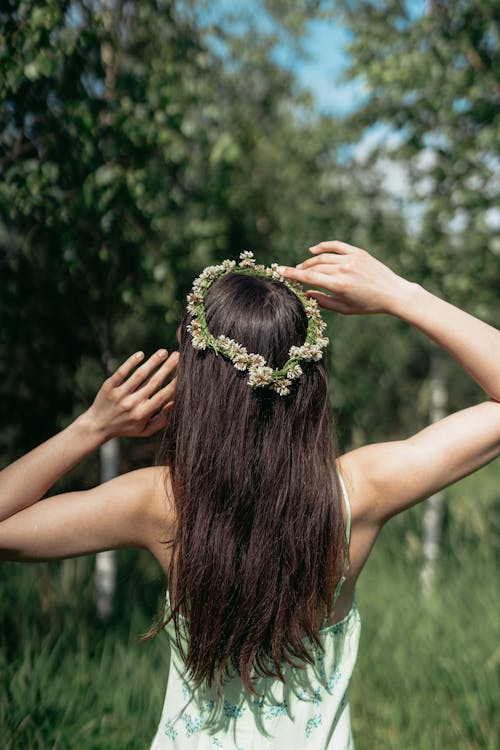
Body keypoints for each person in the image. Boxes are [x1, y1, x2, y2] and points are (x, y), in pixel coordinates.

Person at [1, 240, 499, 749]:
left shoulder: (163, 504)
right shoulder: (357, 495)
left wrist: (92, 427)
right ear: (311, 382)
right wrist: (400, 294)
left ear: (201, 385)